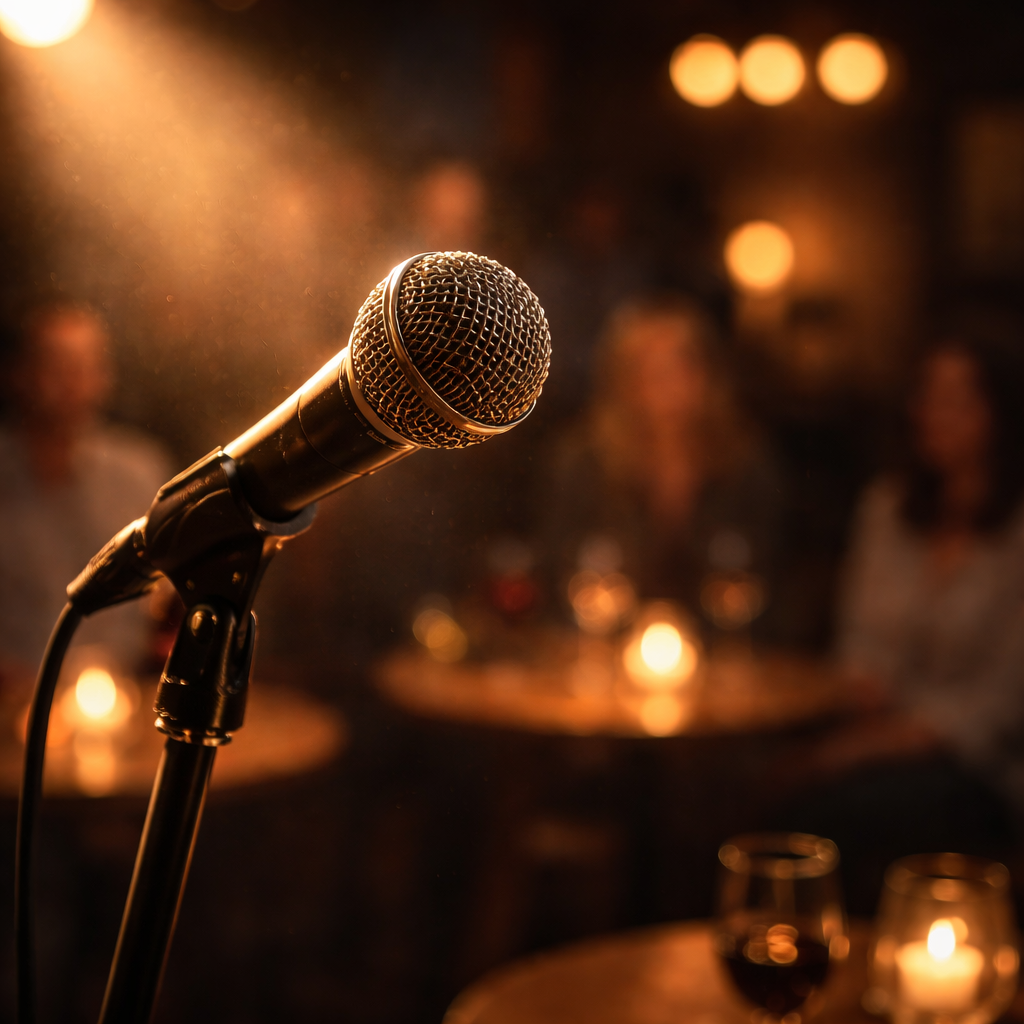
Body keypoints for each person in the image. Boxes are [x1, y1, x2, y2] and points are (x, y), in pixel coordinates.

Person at [773, 325, 1024, 911]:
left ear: (1000, 412)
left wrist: (861, 747)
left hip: (980, 767)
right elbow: (858, 644)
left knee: (814, 818)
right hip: (868, 733)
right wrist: (859, 689)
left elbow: (996, 707)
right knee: (737, 787)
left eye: (955, 399)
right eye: (927, 395)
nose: (932, 414)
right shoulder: (888, 509)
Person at [542, 295, 784, 642]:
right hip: (604, 652)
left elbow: (766, 576)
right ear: (621, 379)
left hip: (721, 655)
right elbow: (561, 573)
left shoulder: (745, 463)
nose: (663, 383)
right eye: (646, 368)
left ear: (706, 374)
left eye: (678, 365)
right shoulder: (584, 463)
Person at [0, 301, 173, 685]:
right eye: (56, 364)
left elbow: (170, 599)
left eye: (86, 364)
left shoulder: (139, 474)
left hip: (130, 707)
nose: (72, 380)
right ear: (19, 374)